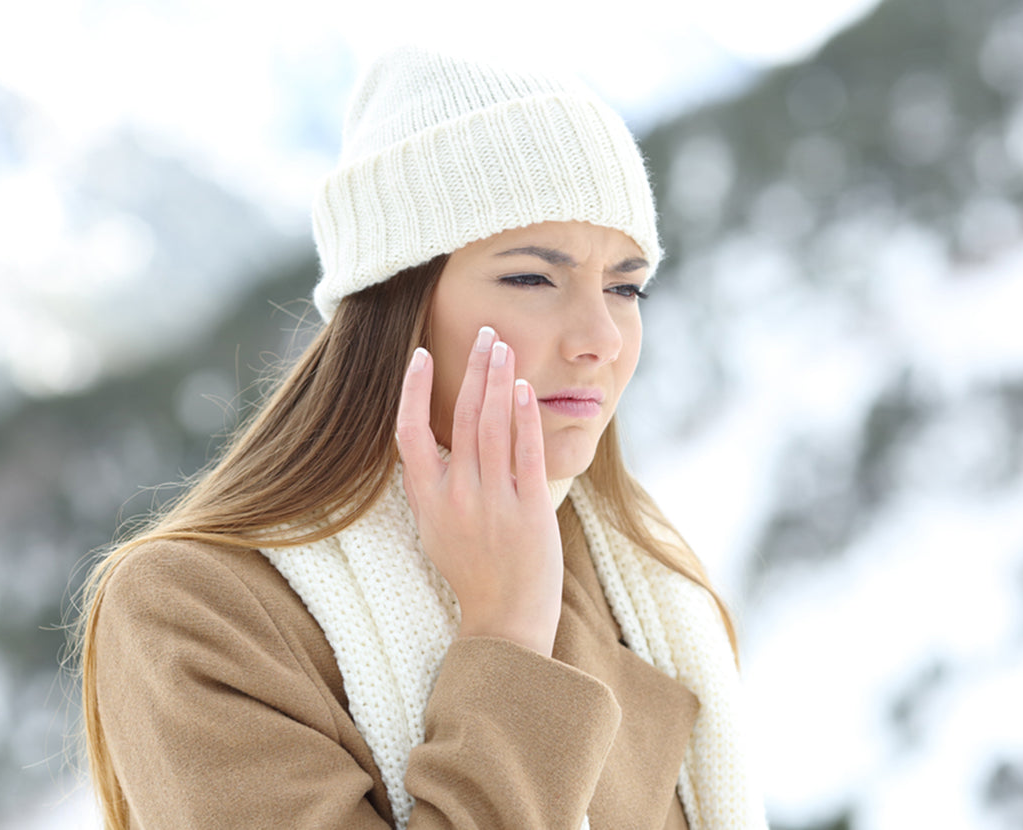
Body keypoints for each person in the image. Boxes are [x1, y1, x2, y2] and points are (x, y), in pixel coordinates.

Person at [75, 46, 767, 829]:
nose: (601, 337)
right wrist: (506, 636)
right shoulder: (197, 610)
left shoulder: (640, 584)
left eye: (625, 286)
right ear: (397, 302)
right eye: (533, 278)